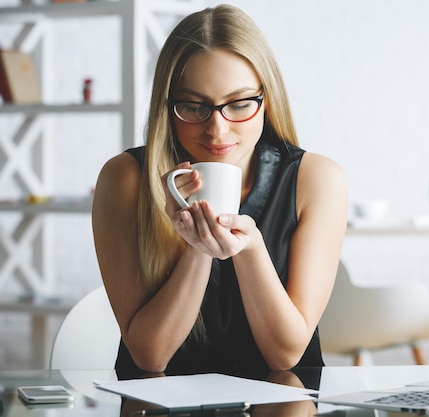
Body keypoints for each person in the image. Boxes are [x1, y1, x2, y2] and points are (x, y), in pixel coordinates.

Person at [92, 4, 347, 375]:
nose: (217, 130)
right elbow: (150, 357)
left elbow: (286, 355)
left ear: (267, 100)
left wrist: (250, 248)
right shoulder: (126, 178)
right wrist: (198, 248)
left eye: (240, 104)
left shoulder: (316, 179)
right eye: (194, 107)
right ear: (167, 105)